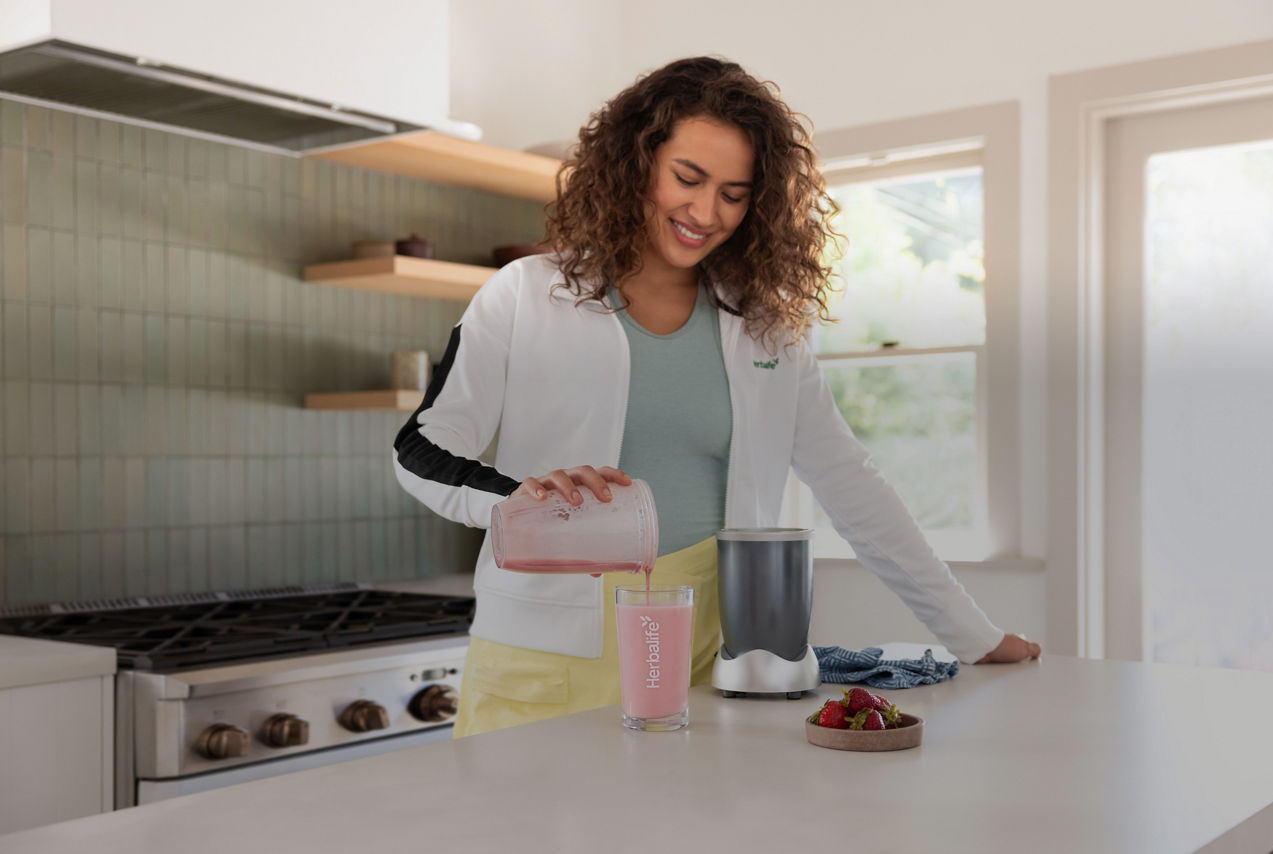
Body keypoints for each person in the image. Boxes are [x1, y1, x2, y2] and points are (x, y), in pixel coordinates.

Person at [393, 56, 1040, 738]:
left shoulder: (765, 328)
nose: (707, 213)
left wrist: (972, 634)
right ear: (635, 162)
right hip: (542, 663)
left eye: (734, 192)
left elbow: (853, 486)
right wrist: (518, 497)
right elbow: (421, 449)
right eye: (688, 178)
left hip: (705, 663)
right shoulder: (525, 294)